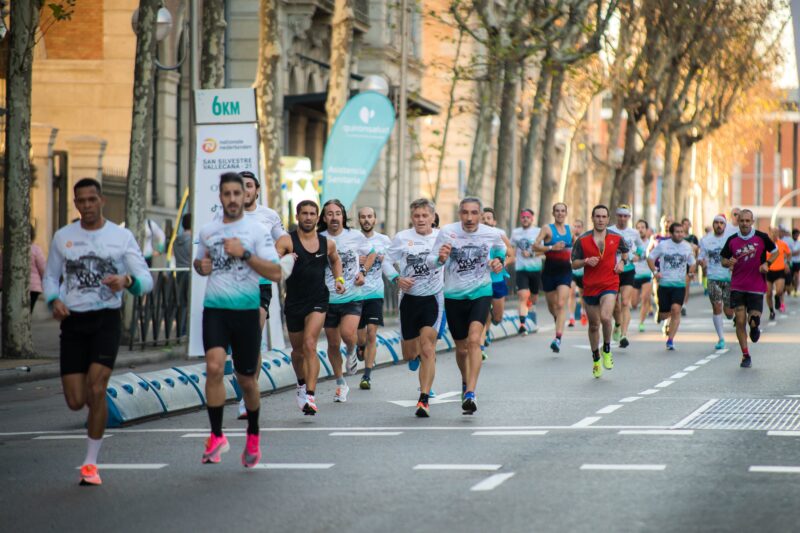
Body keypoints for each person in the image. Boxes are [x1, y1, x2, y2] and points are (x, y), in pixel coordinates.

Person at [43, 178, 153, 486]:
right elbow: (50, 277)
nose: (88, 205)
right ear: (76, 204)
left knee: (97, 388)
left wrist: (127, 282)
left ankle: (90, 464)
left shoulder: (120, 237)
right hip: (74, 322)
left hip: (106, 319)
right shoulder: (63, 237)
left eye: (92, 199)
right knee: (76, 401)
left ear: (101, 201)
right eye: (82, 201)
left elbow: (146, 279)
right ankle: (96, 415)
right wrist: (54, 300)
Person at [193, 172, 283, 468]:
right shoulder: (208, 231)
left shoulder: (256, 231)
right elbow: (200, 261)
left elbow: (275, 272)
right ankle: (217, 435)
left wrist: (244, 254)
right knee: (214, 367)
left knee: (246, 380)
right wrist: (201, 265)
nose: (233, 198)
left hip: (246, 309)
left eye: (238, 193)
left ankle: (253, 434)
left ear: (246, 196)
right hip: (215, 308)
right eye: (227, 193)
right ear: (220, 196)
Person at [433, 197, 505, 414]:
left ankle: (471, 393)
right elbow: (434, 259)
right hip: (454, 295)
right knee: (462, 347)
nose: (469, 217)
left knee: (474, 340)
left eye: (474, 213)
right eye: (465, 213)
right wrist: (441, 258)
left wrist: (498, 261)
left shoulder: (490, 233)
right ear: (459, 214)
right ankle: (466, 381)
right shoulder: (447, 232)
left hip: (480, 292)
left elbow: (502, 250)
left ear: (480, 215)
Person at [275, 200, 343, 415]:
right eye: (304, 213)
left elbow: (335, 259)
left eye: (312, 214)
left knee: (310, 344)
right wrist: (284, 260)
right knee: (297, 352)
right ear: (297, 217)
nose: (308, 217)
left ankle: (311, 396)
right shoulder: (287, 241)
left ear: (318, 218)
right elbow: (271, 262)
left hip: (318, 300)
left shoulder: (327, 243)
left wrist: (339, 279)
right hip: (294, 301)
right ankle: (301, 384)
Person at [384, 198, 445, 417]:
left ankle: (424, 399)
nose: (420, 220)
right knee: (410, 354)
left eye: (424, 216)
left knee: (428, 347)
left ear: (432, 217)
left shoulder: (442, 237)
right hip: (408, 299)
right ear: (412, 218)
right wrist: (396, 279)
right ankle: (415, 357)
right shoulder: (402, 238)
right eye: (417, 216)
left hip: (433, 299)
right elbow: (386, 261)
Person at [319, 199, 374, 402]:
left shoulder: (355, 236)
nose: (334, 217)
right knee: (333, 343)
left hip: (352, 295)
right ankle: (341, 384)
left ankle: (352, 350)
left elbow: (372, 252)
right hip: (327, 297)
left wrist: (363, 272)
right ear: (324, 218)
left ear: (343, 216)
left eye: (338, 213)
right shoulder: (319, 238)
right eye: (330, 214)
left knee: (348, 334)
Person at [571, 205, 627, 378]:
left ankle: (607, 349)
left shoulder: (617, 238)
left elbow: (625, 253)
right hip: (590, 287)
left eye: (604, 216)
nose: (601, 219)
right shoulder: (582, 240)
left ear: (608, 219)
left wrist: (622, 263)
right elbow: (573, 263)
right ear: (592, 218)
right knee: (594, 325)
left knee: (605, 317)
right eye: (598, 216)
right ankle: (596, 358)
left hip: (610, 283)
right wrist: (586, 261)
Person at [721, 209, 778, 368]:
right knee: (739, 321)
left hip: (756, 286)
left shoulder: (761, 237)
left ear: (752, 222)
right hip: (737, 285)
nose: (745, 224)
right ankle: (745, 355)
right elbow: (723, 260)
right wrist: (728, 262)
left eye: (747, 221)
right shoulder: (732, 240)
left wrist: (767, 263)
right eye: (742, 221)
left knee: (753, 320)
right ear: (738, 222)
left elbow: (775, 252)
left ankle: (755, 328)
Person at [355, 207, 392, 390]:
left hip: (375, 293)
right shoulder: (353, 239)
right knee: (360, 336)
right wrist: (357, 260)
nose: (367, 219)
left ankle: (367, 375)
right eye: (363, 217)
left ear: (375, 219)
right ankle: (359, 346)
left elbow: (392, 261)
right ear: (359, 220)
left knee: (372, 333)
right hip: (356, 293)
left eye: (370, 216)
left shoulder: (384, 240)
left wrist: (385, 258)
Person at [647, 222, 697, 351]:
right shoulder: (663, 246)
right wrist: (655, 272)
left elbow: (692, 262)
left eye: (682, 232)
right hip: (664, 284)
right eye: (677, 232)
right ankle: (662, 315)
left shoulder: (686, 247)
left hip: (679, 284)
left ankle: (670, 340)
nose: (680, 234)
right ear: (671, 233)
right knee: (665, 314)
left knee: (676, 310)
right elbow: (650, 258)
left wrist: (691, 273)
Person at [533, 202, 572, 353]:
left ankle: (557, 338)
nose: (560, 213)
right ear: (553, 213)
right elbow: (534, 246)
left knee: (561, 304)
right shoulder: (547, 229)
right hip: (549, 272)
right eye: (557, 211)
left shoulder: (570, 230)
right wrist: (551, 247)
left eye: (563, 211)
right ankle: (558, 322)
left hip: (565, 271)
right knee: (553, 307)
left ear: (566, 213)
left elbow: (577, 248)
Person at [480, 207, 514, 359]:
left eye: (489, 218)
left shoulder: (500, 235)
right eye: (483, 218)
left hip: (498, 280)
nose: (486, 220)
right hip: (481, 282)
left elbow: (511, 254)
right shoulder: (475, 236)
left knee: (497, 317)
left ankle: (491, 324)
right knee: (483, 313)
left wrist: (503, 263)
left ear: (494, 221)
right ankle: (481, 345)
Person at [609, 205, 644, 348]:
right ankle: (617, 323)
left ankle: (623, 335)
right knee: (613, 304)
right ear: (616, 216)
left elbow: (641, 246)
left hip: (628, 269)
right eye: (620, 216)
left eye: (626, 216)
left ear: (629, 217)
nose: (623, 219)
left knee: (625, 303)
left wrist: (637, 255)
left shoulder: (634, 233)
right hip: (613, 271)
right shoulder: (610, 230)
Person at [698, 215, 734, 350]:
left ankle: (732, 315)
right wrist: (701, 261)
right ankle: (721, 338)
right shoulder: (706, 240)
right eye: (716, 223)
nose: (719, 225)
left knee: (729, 313)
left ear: (725, 225)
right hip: (713, 278)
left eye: (721, 223)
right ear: (713, 225)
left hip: (729, 278)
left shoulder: (731, 239)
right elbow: (701, 256)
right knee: (717, 306)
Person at [0, 224, 47, 312]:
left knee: (12, 310)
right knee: (27, 312)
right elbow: (43, 268)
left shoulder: (7, 249)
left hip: (11, 285)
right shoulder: (35, 249)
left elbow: (1, 268)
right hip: (32, 287)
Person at [510, 208, 542, 334]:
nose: (525, 219)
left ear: (532, 219)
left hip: (535, 268)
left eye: (528, 217)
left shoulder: (538, 231)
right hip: (521, 268)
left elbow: (544, 250)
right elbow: (511, 247)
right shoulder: (515, 232)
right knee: (523, 295)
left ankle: (530, 306)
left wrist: (532, 254)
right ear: (520, 219)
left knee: (533, 298)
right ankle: (522, 324)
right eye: (523, 217)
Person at [766, 227, 792, 320]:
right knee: (768, 293)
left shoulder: (782, 244)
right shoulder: (766, 244)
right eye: (773, 232)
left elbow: (789, 254)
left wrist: (787, 263)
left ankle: (777, 297)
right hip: (768, 271)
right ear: (769, 233)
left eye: (776, 232)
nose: (775, 234)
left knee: (780, 290)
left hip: (780, 270)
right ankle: (771, 311)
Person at [632, 219, 653, 332]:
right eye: (638, 227)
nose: (640, 230)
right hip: (634, 276)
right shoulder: (633, 244)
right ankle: (638, 305)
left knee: (645, 299)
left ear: (646, 229)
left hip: (646, 274)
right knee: (634, 303)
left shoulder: (650, 243)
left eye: (642, 227)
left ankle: (641, 322)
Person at [568, 219, 586, 327]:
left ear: (582, 228)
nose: (577, 228)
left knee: (582, 293)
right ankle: (571, 317)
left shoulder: (585, 239)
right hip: (571, 270)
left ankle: (583, 312)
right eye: (575, 226)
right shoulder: (568, 239)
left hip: (583, 271)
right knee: (571, 292)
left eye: (579, 226)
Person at [790, 228, 800, 296]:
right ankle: (792, 288)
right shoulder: (789, 242)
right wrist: (794, 253)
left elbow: (797, 253)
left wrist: (793, 253)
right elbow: (789, 253)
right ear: (793, 235)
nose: (797, 236)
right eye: (795, 235)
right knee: (791, 276)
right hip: (791, 261)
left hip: (797, 261)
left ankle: (796, 289)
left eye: (798, 235)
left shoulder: (799, 243)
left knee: (796, 275)